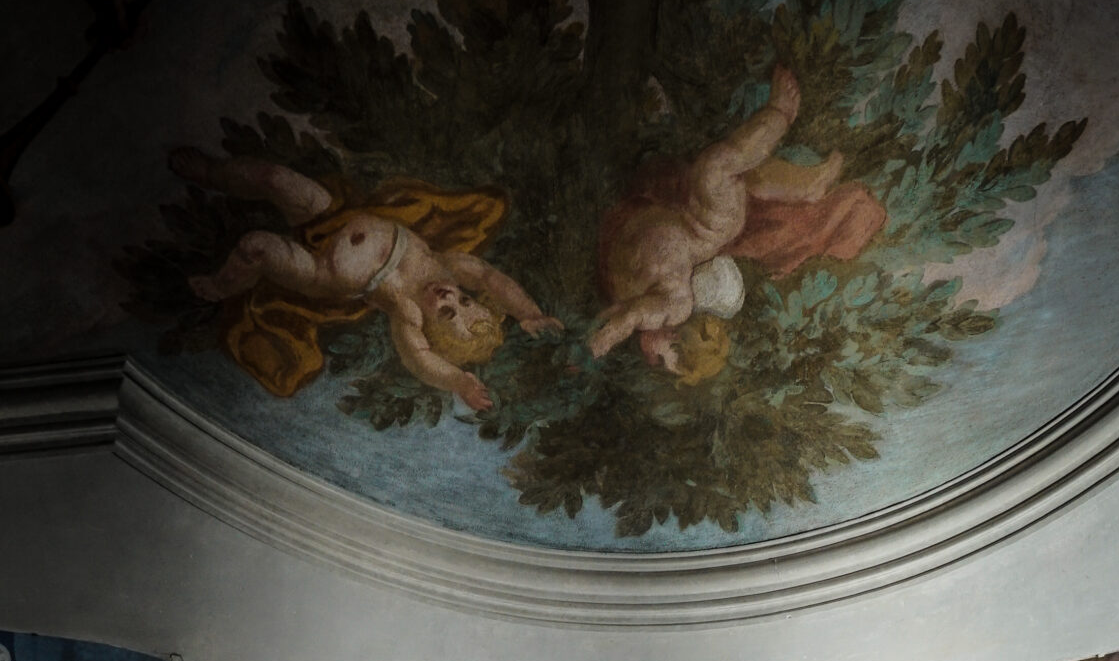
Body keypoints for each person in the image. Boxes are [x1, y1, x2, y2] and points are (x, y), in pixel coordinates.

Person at [169, 148, 562, 408]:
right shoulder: (451, 266)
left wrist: (459, 381)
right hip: (330, 219)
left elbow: (421, 360)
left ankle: (222, 286)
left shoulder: (407, 312)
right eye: (464, 302)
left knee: (256, 246)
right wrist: (528, 313)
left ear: (430, 328)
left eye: (446, 314)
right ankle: (212, 172)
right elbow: (493, 279)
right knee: (275, 178)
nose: (449, 299)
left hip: (320, 272)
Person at [591, 65, 885, 373]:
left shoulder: (643, 302)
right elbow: (631, 317)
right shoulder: (675, 306)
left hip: (686, 216)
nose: (675, 338)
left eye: (670, 350)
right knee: (717, 170)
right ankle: (780, 118)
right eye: (678, 348)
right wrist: (608, 336)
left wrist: (596, 344)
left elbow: (624, 318)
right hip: (708, 226)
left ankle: (803, 175)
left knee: (716, 171)